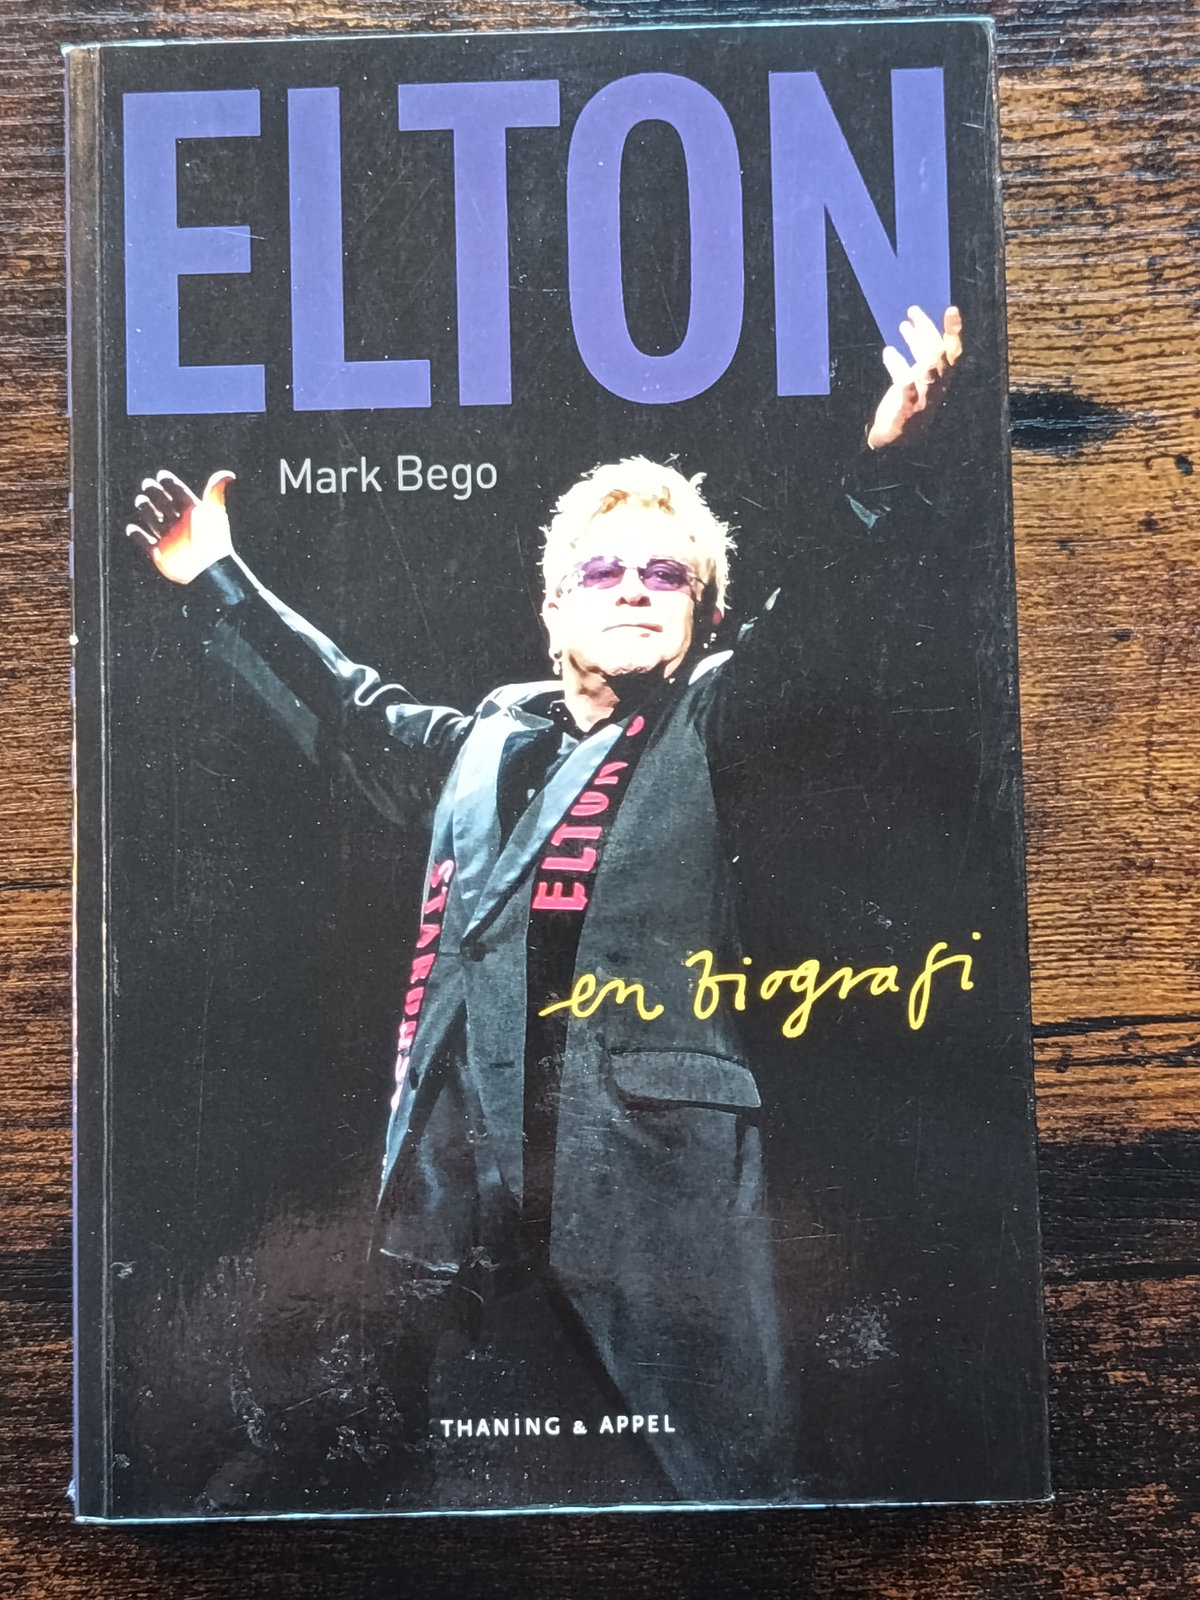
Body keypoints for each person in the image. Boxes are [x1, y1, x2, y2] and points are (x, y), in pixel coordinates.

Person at [126, 306, 962, 1506]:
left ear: (705, 616)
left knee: (718, 1492)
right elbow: (350, 714)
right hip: (463, 1217)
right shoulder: (482, 746)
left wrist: (883, 471)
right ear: (554, 609)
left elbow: (821, 614)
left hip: (651, 1204)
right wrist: (216, 573)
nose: (635, 590)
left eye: (668, 575)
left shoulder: (712, 718)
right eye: (602, 571)